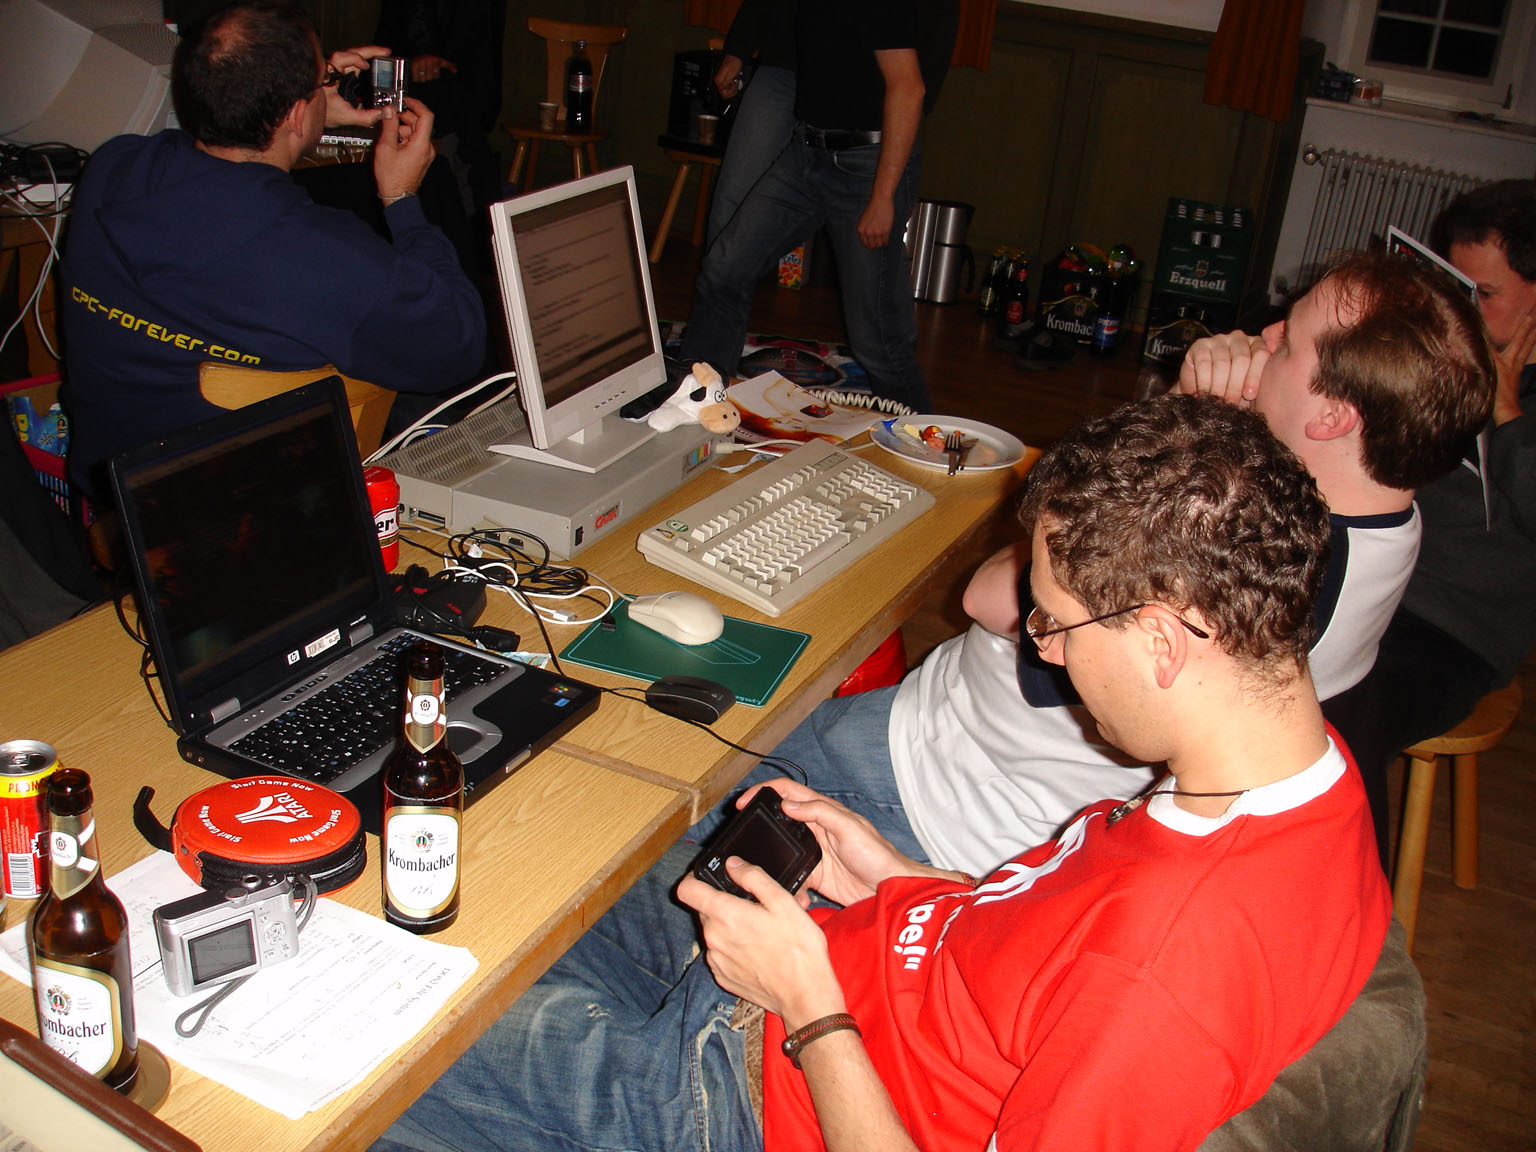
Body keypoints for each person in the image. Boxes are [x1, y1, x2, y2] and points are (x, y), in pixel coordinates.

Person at [373, 396, 1390, 1152]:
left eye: (1055, 623)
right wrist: (893, 880)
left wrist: (808, 1000)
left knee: (383, 1044)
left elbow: (1117, 976)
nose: (1042, 648)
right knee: (512, 921)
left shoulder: (1172, 962)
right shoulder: (1300, 781)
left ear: (1163, 641)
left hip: (748, 1096)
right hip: (834, 974)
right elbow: (1041, 962)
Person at [736, 249, 1494, 876]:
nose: (1262, 337)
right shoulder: (1383, 519)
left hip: (942, 798)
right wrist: (1212, 441)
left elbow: (986, 596)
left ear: (1332, 416)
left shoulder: (1239, 556)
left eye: (1289, 342)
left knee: (694, 801)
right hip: (954, 748)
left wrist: (1185, 424)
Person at [58, 1, 486, 498]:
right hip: (249, 515)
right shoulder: (323, 255)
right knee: (443, 409)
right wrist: (402, 199)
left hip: (112, 494)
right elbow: (459, 348)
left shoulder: (111, 167)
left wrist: (305, 103)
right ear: (296, 114)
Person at [1326, 179, 1536, 850]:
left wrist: (1508, 413)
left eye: (1485, 294)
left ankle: (1355, 911)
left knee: (1342, 725)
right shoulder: (1446, 355)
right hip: (1370, 575)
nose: (1465, 309)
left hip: (1452, 628)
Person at [678, 0, 958, 412]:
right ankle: (699, 402)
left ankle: (919, 437)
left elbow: (909, 89)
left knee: (878, 338)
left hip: (865, 168)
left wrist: (883, 197)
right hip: (805, 153)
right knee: (725, 268)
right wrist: (738, 51)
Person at [707, 0, 797, 248]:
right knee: (735, 192)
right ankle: (718, 274)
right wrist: (737, 51)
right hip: (782, 67)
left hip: (850, 75)